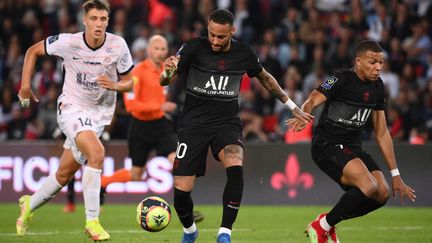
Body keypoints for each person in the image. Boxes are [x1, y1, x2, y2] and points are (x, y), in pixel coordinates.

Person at [160, 9, 313, 243]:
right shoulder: (192, 47)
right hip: (193, 124)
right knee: (181, 190)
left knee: (235, 164)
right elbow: (166, 78)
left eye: (220, 37)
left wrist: (292, 106)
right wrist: (167, 73)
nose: (214, 40)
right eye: (211, 34)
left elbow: (266, 79)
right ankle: (190, 231)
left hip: (226, 122)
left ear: (233, 31)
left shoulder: (244, 53)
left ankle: (224, 233)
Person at [16, 0, 134, 241]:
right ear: (85, 20)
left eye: (102, 19)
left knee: (64, 174)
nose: (98, 24)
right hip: (71, 107)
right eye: (93, 19)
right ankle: (92, 221)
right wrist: (25, 86)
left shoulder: (118, 45)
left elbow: (131, 81)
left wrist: (116, 85)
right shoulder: (68, 42)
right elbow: (32, 51)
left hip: (99, 114)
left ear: (108, 21)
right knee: (97, 154)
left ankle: (28, 205)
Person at [288, 40, 416, 243]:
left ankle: (326, 222)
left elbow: (382, 133)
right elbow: (313, 98)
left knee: (381, 193)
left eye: (381, 62)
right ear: (358, 61)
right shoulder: (341, 80)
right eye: (372, 62)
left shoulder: (378, 87)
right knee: (368, 185)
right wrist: (304, 113)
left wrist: (395, 174)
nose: (378, 67)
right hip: (327, 144)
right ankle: (321, 228)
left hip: (353, 147)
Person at [99, 34, 204, 222]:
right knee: (136, 175)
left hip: (161, 126)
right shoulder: (138, 72)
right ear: (149, 50)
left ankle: (185, 209)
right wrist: (159, 107)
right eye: (157, 48)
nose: (161, 52)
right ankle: (103, 183)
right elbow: (131, 106)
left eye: (163, 49)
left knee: (179, 164)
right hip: (140, 126)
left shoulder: (168, 70)